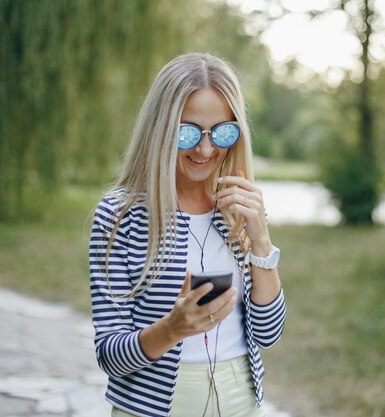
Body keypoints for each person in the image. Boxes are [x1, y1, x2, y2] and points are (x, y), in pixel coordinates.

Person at [88, 52, 286, 417]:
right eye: (188, 132)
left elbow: (268, 333)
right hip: (154, 406)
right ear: (160, 128)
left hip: (239, 397)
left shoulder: (237, 208)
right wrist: (173, 328)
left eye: (222, 132)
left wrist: (260, 239)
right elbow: (109, 356)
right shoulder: (120, 216)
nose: (205, 149)